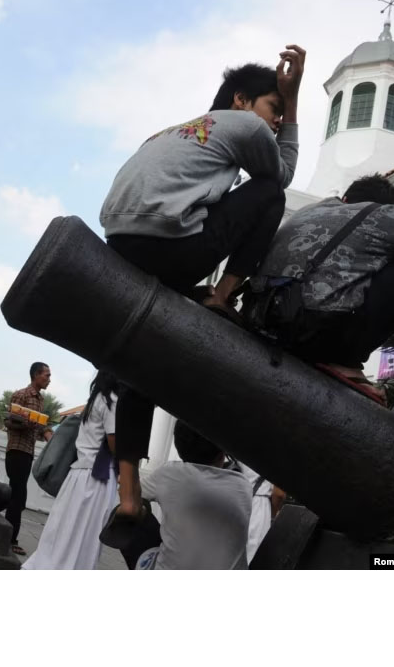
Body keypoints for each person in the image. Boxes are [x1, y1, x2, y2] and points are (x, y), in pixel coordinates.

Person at [99, 47, 305, 538]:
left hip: (121, 241)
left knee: (139, 363)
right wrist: (294, 102)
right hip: (172, 242)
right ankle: (224, 293)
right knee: (268, 193)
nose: (274, 123)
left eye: (280, 113)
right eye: (272, 109)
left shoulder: (172, 131)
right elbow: (281, 177)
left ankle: (129, 499)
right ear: (242, 100)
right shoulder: (246, 127)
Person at [250, 175, 394, 402]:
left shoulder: (309, 210)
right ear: (388, 207)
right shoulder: (387, 216)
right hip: (309, 331)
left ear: (345, 198)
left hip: (259, 315)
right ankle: (345, 361)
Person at [23, 370, 121, 570]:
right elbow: (115, 444)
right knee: (84, 538)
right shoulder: (112, 400)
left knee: (62, 535)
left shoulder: (96, 398)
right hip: (95, 479)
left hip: (80, 475)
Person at [133, 421, 252, 570]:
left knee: (133, 512)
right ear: (222, 452)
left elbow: (132, 493)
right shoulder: (243, 486)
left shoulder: (169, 474)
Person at [4, 362, 55, 555]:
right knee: (18, 496)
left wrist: (50, 437)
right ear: (35, 375)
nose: (49, 379)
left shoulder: (41, 400)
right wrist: (26, 422)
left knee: (16, 494)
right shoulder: (21, 395)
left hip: (28, 452)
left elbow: (42, 427)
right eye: (46, 375)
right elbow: (8, 421)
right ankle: (10, 539)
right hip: (16, 450)